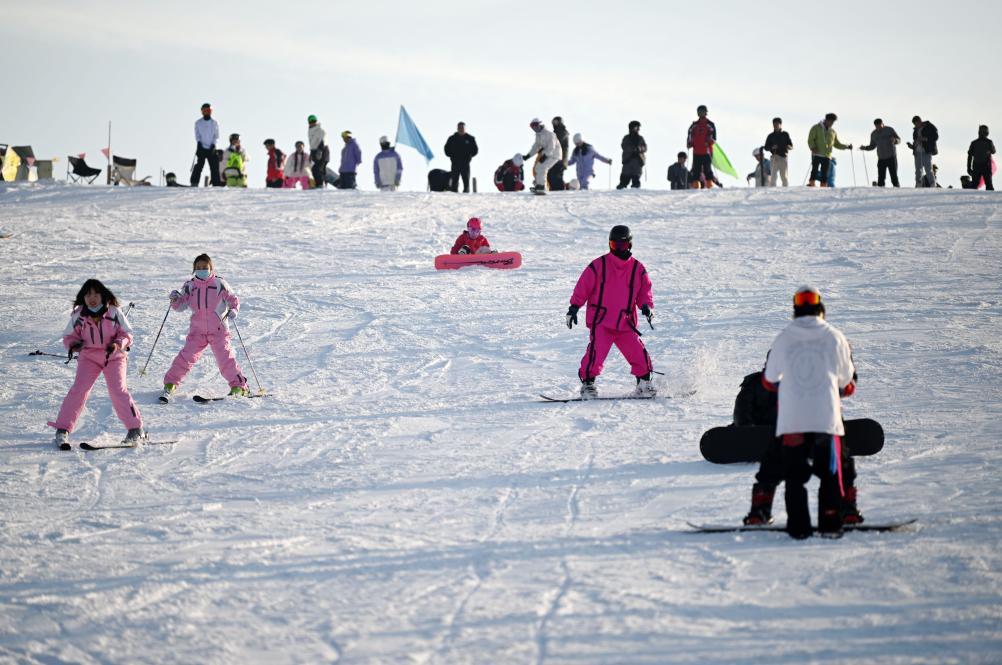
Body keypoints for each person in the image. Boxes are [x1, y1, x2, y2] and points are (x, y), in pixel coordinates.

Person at [743, 286, 858, 539]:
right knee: (835, 470)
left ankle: (781, 520)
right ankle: (840, 515)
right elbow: (847, 383)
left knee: (788, 472)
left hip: (792, 421)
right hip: (826, 420)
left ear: (796, 309)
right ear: (821, 308)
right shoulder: (835, 337)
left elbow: (769, 379)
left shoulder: (785, 337)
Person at [48, 279, 144, 448]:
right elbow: (69, 336)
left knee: (118, 390)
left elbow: (127, 333)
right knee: (79, 390)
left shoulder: (114, 312)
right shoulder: (79, 315)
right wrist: (73, 345)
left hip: (113, 356)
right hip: (89, 357)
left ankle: (135, 429)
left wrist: (117, 344)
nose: (92, 297)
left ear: (103, 295)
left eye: (96, 294)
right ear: (83, 297)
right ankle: (62, 429)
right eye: (88, 294)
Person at [566, 225, 655, 398]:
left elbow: (645, 291)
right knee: (595, 354)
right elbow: (582, 287)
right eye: (614, 245)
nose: (618, 250)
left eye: (621, 246)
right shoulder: (599, 265)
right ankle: (588, 384)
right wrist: (574, 307)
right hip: (602, 322)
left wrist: (646, 306)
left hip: (625, 323)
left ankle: (644, 382)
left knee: (638, 353)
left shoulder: (637, 269)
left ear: (629, 245)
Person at [160, 254, 248, 403]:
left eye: (205, 267)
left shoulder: (220, 283)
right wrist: (175, 299)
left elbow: (233, 300)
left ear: (210, 268)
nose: (201, 270)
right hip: (198, 331)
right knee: (185, 357)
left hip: (218, 330)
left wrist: (234, 310)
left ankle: (239, 386)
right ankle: (170, 384)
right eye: (198, 268)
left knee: (225, 359)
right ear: (194, 269)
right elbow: (180, 306)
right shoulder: (190, 285)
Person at [807, 113, 851, 187]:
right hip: (816, 153)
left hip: (827, 155)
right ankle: (812, 184)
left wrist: (846, 147)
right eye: (831, 122)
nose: (832, 124)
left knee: (825, 172)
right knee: (814, 170)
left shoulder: (833, 132)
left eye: (833, 122)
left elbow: (837, 144)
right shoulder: (816, 128)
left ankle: (823, 185)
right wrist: (812, 148)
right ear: (826, 120)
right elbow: (810, 139)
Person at [859, 118, 901, 187]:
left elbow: (899, 140)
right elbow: (872, 146)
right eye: (877, 126)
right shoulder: (873, 134)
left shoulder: (889, 130)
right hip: (881, 159)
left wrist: (895, 141)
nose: (878, 128)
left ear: (882, 124)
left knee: (894, 177)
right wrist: (865, 148)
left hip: (891, 157)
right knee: (881, 179)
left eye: (880, 126)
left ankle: (897, 190)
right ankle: (880, 191)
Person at [524, 118, 562, 193]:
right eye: (532, 127)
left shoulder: (549, 134)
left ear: (540, 124)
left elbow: (552, 146)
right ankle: (539, 185)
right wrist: (528, 155)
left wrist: (545, 156)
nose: (534, 128)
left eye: (536, 126)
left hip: (555, 154)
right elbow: (536, 147)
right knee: (537, 167)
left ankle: (542, 186)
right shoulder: (538, 135)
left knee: (543, 167)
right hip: (547, 153)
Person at [190, 103, 222, 187]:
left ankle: (216, 184)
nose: (207, 112)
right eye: (205, 111)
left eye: (209, 111)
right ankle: (194, 182)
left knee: (214, 166)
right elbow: (197, 135)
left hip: (211, 147)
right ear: (202, 112)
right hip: (202, 147)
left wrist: (214, 145)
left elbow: (216, 135)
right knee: (199, 165)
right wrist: (199, 143)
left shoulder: (214, 122)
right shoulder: (198, 123)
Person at [443, 122, 478, 193]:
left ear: (465, 129)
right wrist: (451, 156)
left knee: (466, 181)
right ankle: (454, 194)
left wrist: (469, 157)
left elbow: (475, 150)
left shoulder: (470, 138)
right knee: (454, 180)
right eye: (460, 128)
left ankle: (466, 194)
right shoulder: (452, 138)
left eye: (462, 128)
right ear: (457, 128)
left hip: (465, 163)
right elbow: (446, 149)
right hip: (455, 162)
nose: (461, 129)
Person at [687, 105, 717, 187]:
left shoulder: (710, 124)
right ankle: (696, 186)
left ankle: (709, 186)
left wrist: (708, 142)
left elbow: (713, 138)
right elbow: (690, 134)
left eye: (702, 111)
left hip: (707, 151)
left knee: (707, 169)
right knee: (696, 170)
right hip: (696, 151)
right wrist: (689, 143)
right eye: (699, 111)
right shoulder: (694, 125)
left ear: (706, 113)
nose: (700, 113)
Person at [907, 115, 938, 187]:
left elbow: (935, 137)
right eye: (914, 124)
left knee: (928, 169)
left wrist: (925, 139)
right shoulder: (915, 130)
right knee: (918, 170)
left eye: (916, 123)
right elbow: (915, 141)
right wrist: (912, 146)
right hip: (917, 151)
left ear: (920, 121)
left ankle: (932, 184)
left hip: (927, 151)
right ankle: (918, 184)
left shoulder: (929, 126)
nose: (916, 125)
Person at [764, 117, 793, 186]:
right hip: (774, 157)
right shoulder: (770, 136)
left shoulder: (785, 134)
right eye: (774, 124)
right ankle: (772, 192)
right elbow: (766, 147)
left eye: (777, 124)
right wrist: (772, 147)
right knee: (773, 177)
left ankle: (785, 191)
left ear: (780, 124)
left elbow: (791, 145)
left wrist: (788, 147)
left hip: (783, 157)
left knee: (784, 176)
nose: (775, 125)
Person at [618, 121, 647, 189]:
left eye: (638, 128)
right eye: (637, 127)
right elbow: (624, 146)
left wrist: (639, 149)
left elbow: (645, 148)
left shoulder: (640, 138)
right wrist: (633, 149)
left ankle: (634, 196)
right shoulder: (626, 138)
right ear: (632, 128)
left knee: (636, 181)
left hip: (638, 161)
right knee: (623, 181)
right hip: (628, 161)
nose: (638, 129)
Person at [967, 125, 995, 191]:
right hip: (986, 166)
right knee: (989, 185)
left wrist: (968, 168)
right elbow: (993, 151)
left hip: (976, 166)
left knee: (974, 185)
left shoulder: (974, 143)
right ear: (987, 133)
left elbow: (969, 156)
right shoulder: (989, 142)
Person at [548, 116, 570, 191]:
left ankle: (559, 191)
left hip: (560, 160)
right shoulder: (556, 132)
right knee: (550, 175)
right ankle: (553, 190)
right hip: (554, 159)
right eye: (553, 123)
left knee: (556, 176)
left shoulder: (563, 132)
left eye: (556, 122)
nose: (554, 124)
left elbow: (556, 142)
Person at [307, 115, 329, 189]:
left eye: (314, 121)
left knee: (317, 168)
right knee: (314, 169)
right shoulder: (310, 130)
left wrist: (320, 151)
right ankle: (318, 183)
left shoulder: (320, 130)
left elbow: (323, 141)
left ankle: (320, 184)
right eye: (311, 121)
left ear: (316, 121)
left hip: (322, 151)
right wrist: (311, 153)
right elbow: (312, 144)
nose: (312, 123)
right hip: (314, 151)